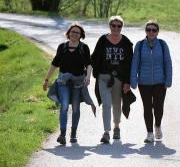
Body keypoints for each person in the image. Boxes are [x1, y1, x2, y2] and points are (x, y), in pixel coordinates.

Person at [43, 22, 93, 145]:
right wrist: (46, 80)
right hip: (63, 82)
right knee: (64, 106)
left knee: (76, 108)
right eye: (72, 32)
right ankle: (62, 134)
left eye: (77, 32)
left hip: (78, 83)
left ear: (81, 35)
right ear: (68, 33)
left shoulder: (83, 48)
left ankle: (74, 133)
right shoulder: (63, 47)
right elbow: (55, 63)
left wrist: (88, 76)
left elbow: (89, 64)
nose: (74, 34)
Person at [91, 15, 133, 143]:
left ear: (121, 28)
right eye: (113, 25)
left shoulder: (126, 42)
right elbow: (94, 57)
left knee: (116, 103)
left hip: (119, 78)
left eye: (119, 26)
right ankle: (106, 132)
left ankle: (116, 127)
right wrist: (89, 73)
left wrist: (128, 82)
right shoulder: (103, 40)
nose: (116, 28)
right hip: (103, 77)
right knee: (106, 104)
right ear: (110, 26)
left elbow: (130, 63)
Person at [131, 20, 172, 143]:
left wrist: (168, 80)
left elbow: (168, 63)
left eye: (154, 30)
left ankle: (157, 126)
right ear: (145, 31)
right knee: (147, 107)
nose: (151, 32)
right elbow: (135, 64)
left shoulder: (162, 45)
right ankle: (149, 133)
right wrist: (133, 79)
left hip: (160, 82)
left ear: (157, 32)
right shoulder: (139, 45)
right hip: (144, 82)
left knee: (158, 106)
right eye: (149, 30)